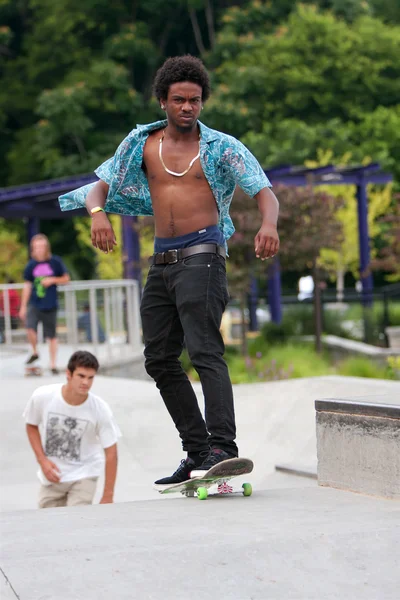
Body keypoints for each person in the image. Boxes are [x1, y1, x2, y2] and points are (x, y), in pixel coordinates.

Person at [59, 55, 279, 487]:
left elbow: (263, 190)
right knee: (158, 358)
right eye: (179, 100)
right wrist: (98, 215)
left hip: (204, 256)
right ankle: (196, 449)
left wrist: (269, 224)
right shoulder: (140, 145)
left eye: (195, 100)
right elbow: (99, 185)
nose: (187, 108)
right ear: (162, 100)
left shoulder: (222, 147)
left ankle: (222, 446)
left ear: (202, 102)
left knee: (203, 350)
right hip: (161, 263)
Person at [23, 350, 120, 508]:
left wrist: (108, 495)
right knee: (47, 523)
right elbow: (31, 425)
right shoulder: (43, 396)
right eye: (81, 376)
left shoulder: (100, 409)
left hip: (85, 473)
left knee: (76, 520)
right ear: (68, 374)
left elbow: (111, 452)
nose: (86, 383)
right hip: (54, 475)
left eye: (90, 378)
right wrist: (42, 461)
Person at [19, 233, 70, 374]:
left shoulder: (55, 262)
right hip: (35, 303)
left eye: (42, 247)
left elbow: (66, 278)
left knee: (51, 336)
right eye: (36, 247)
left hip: (50, 304)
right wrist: (23, 306)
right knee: (30, 328)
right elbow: (27, 286)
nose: (39, 250)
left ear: (46, 247)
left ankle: (53, 364)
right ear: (33, 249)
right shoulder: (31, 265)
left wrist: (52, 280)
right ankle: (35, 351)